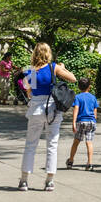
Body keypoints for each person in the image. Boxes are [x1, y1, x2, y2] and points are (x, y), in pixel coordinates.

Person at [18, 42, 78, 191]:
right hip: (52, 108)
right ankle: (49, 180)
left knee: (30, 144)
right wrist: (62, 68)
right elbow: (73, 78)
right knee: (52, 144)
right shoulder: (53, 67)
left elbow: (28, 91)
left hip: (35, 108)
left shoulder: (29, 71)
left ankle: (24, 179)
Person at [68, 77, 99, 171]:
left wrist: (73, 122)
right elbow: (95, 111)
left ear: (78, 87)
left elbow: (76, 109)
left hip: (81, 121)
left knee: (76, 142)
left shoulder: (77, 97)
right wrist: (94, 121)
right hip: (91, 121)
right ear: (89, 87)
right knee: (89, 142)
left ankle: (71, 161)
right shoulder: (93, 97)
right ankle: (89, 163)